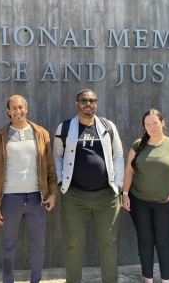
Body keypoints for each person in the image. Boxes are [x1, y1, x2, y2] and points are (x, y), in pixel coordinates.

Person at [53, 89, 124, 283]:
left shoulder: (108, 127)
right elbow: (57, 156)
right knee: (74, 243)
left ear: (96, 103)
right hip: (75, 196)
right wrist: (61, 181)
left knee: (109, 242)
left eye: (92, 100)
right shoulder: (65, 128)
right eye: (84, 100)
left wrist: (117, 185)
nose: (88, 103)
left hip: (107, 196)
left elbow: (118, 155)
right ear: (77, 104)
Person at [0, 95, 58, 283]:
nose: (18, 111)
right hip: (10, 199)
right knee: (8, 245)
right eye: (14, 108)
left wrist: (52, 193)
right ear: (8, 111)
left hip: (37, 198)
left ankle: (35, 280)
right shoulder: (0, 135)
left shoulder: (40, 133)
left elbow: (50, 166)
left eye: (21, 107)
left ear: (26, 109)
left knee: (39, 245)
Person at [121, 109, 169, 283]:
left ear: (163, 123)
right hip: (139, 202)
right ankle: (148, 278)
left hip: (166, 204)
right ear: (144, 126)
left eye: (155, 123)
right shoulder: (138, 145)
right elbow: (129, 171)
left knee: (163, 241)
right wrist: (124, 194)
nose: (151, 127)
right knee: (145, 241)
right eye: (148, 124)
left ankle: (166, 279)